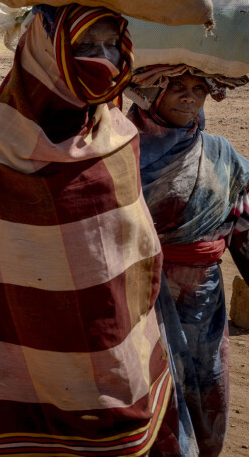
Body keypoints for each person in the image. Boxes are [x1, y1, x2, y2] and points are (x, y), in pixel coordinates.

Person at [0, 4, 178, 456]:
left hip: (110, 354)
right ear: (47, 52)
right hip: (15, 346)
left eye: (110, 46)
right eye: (84, 46)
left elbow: (136, 255)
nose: (102, 61)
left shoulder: (120, 136)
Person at [127, 66, 249, 457]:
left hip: (204, 303)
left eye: (198, 88)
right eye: (176, 86)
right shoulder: (118, 152)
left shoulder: (221, 153)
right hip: (139, 298)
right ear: (150, 93)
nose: (189, 97)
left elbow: (242, 224)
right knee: (151, 392)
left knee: (206, 384)